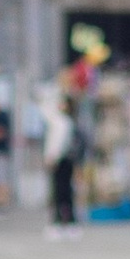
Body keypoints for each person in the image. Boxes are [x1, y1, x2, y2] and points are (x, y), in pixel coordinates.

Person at [42, 81, 83, 236]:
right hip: (63, 160)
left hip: (62, 161)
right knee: (62, 192)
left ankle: (64, 221)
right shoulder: (61, 121)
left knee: (62, 192)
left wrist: (52, 158)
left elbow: (57, 144)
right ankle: (64, 221)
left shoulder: (63, 122)